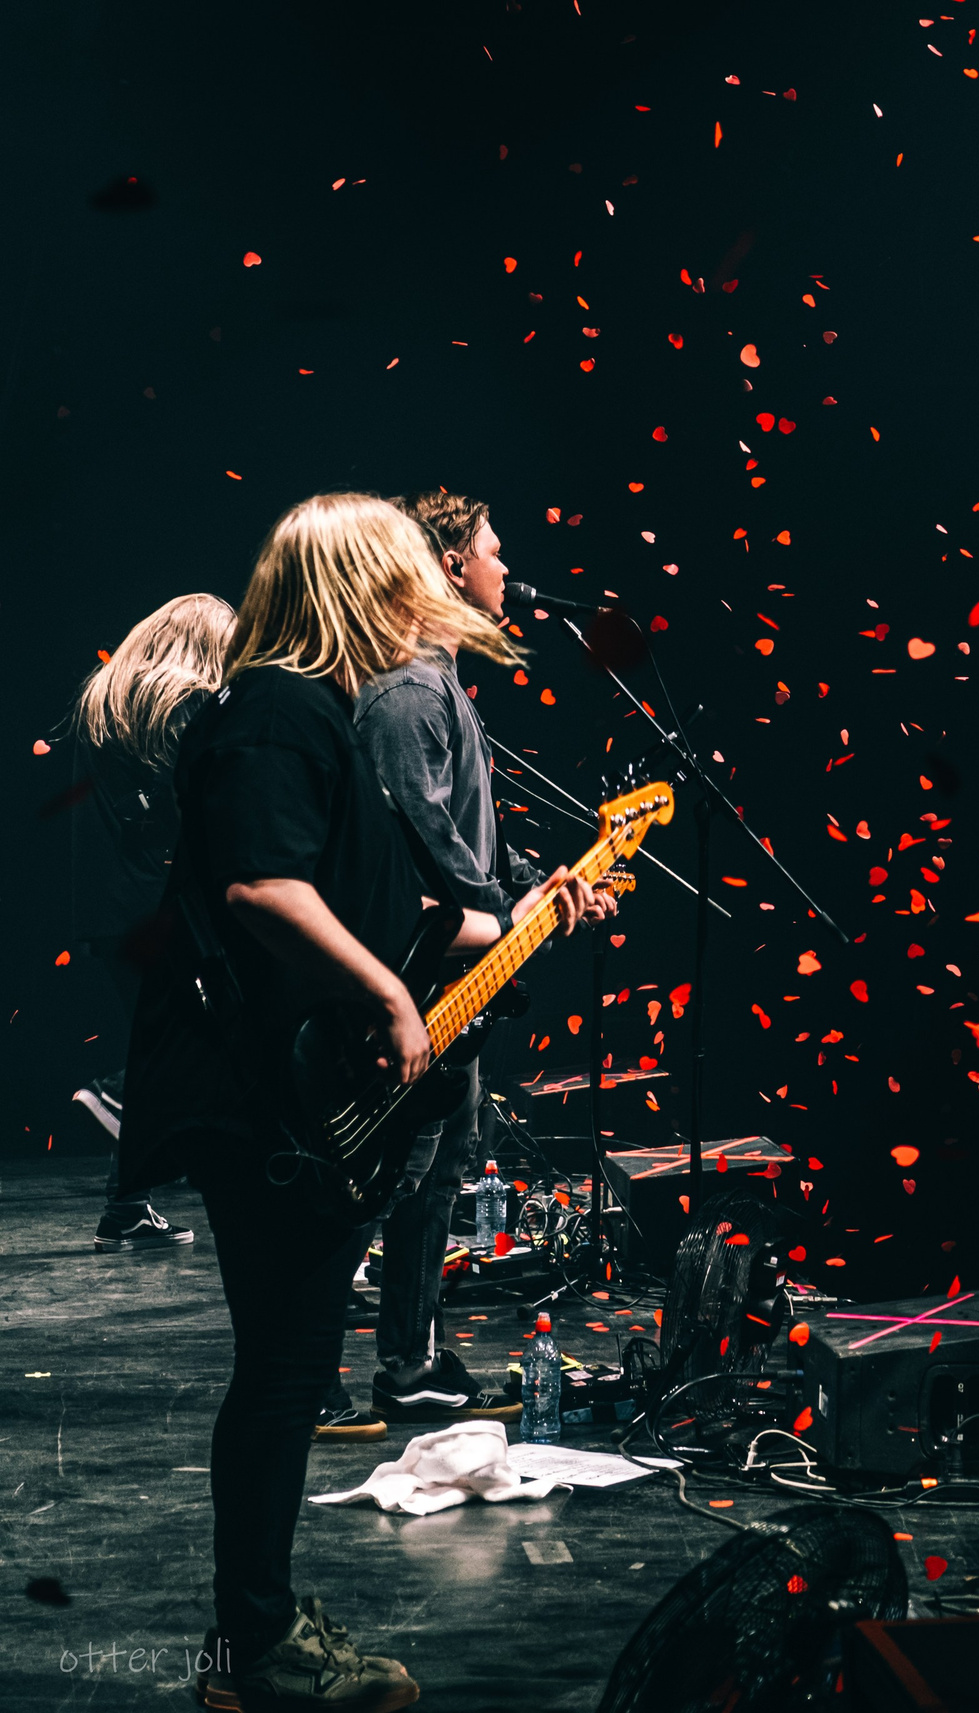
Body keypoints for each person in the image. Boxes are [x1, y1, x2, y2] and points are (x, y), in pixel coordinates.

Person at [114, 492, 603, 1713]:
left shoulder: (311, 711)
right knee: (281, 1374)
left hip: (295, 1093)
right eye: (403, 576)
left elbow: (371, 898)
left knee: (286, 1369)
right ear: (359, 583)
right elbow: (264, 892)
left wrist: (520, 925)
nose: (425, 593)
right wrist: (390, 997)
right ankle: (254, 1652)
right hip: (263, 1102)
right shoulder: (278, 709)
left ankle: (259, 1635)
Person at [354, 490, 616, 1430]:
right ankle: (335, 1364)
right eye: (495, 550)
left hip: (461, 978)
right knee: (395, 1173)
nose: (510, 567)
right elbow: (426, 857)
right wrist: (515, 911)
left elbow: (472, 848)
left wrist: (547, 884)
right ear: (453, 567)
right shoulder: (407, 694)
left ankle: (412, 1359)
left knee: (436, 1171)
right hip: (423, 981)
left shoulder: (441, 689)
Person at [65, 593, 236, 1250]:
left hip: (108, 910)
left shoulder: (104, 701)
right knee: (191, 1040)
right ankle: (118, 1093)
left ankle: (125, 1205)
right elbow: (189, 809)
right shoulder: (184, 704)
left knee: (168, 1032)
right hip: (158, 904)